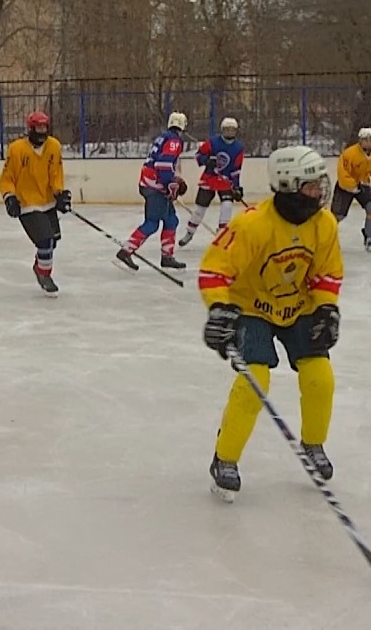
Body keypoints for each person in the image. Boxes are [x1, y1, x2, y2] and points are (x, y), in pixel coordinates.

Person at [198, 145, 345, 502]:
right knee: (255, 379)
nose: (320, 191)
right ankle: (225, 459)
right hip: (251, 308)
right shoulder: (252, 224)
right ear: (289, 185)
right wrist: (219, 309)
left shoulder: (323, 224)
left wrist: (327, 309)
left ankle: (313, 445)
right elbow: (214, 271)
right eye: (311, 185)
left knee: (320, 376)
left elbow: (327, 273)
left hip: (298, 306)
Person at [0, 110, 71, 296]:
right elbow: (7, 178)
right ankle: (45, 275)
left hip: (47, 202)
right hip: (27, 204)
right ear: (30, 128)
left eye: (44, 127)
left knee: (52, 241)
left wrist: (59, 194)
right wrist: (10, 197)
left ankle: (39, 267)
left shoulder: (53, 146)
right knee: (45, 241)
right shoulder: (16, 149)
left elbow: (56, 173)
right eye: (38, 127)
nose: (42, 131)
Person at [114, 112, 189, 272]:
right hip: (155, 185)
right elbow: (164, 163)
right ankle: (126, 251)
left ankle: (167, 256)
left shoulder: (164, 136)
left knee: (171, 220)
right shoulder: (174, 140)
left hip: (152, 182)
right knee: (152, 223)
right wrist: (169, 184)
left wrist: (170, 183)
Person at [180, 117, 245, 247]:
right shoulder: (213, 142)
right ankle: (189, 233)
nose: (230, 132)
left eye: (232, 130)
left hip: (225, 182)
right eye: (227, 130)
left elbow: (236, 170)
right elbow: (198, 155)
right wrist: (206, 161)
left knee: (227, 206)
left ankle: (222, 233)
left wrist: (237, 187)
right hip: (209, 179)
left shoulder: (239, 148)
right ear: (222, 130)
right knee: (200, 209)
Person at [333, 127, 371, 251]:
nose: (368, 142)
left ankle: (369, 237)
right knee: (337, 216)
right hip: (345, 187)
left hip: (363, 184)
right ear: (360, 141)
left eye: (370, 140)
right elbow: (343, 174)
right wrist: (353, 186)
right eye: (365, 140)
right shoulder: (349, 154)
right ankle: (326, 240)